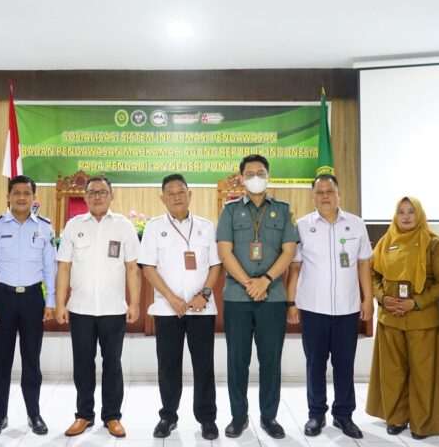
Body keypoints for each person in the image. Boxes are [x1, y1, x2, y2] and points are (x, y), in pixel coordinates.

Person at [215, 154, 299, 439]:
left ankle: (269, 417)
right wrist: (249, 283)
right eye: (249, 173)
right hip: (237, 298)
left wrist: (265, 280)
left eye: (260, 173)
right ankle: (238, 417)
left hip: (272, 297)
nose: (255, 177)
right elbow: (224, 252)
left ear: (268, 176)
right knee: (237, 361)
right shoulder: (229, 211)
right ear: (241, 178)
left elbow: (289, 251)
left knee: (270, 361)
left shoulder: (283, 210)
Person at [286, 174, 373, 439]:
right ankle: (316, 414)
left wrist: (367, 299)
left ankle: (343, 415)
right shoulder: (303, 226)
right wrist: (291, 302)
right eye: (320, 192)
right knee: (315, 364)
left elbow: (364, 263)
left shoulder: (356, 224)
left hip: (347, 308)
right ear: (313, 196)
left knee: (344, 365)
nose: (325, 196)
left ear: (338, 194)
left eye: (329, 191)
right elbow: (295, 267)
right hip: (314, 308)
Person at [55, 176, 141, 438]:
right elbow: (64, 267)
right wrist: (60, 303)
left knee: (112, 364)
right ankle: (83, 415)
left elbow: (132, 268)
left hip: (113, 309)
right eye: (92, 192)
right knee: (82, 364)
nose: (97, 196)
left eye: (103, 192)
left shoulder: (124, 226)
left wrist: (135, 303)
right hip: (80, 309)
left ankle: (112, 417)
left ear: (111, 196)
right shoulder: (73, 226)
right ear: (85, 196)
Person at [139, 174, 222, 440]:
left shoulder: (206, 226)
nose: (177, 197)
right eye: (171, 193)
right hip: (168, 309)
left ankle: (207, 418)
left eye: (181, 192)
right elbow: (148, 267)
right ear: (162, 198)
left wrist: (204, 295)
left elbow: (216, 265)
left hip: (201, 309)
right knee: (168, 365)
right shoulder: (154, 228)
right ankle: (168, 416)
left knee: (204, 366)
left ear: (190, 194)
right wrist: (171, 298)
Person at [365, 197, 439, 439]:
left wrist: (415, 302)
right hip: (390, 318)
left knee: (423, 375)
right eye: (401, 212)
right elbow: (373, 274)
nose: (406, 216)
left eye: (411, 212)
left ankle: (422, 423)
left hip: (422, 319)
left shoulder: (434, 243)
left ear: (420, 215)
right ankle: (396, 418)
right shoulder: (386, 241)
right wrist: (383, 298)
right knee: (392, 372)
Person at [0, 175, 56, 437]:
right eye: (16, 193)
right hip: (4, 300)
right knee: (2, 361)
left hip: (33, 299)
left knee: (32, 360)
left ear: (34, 197)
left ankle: (34, 414)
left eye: (26, 193)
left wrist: (50, 301)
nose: (21, 197)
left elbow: (50, 267)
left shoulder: (44, 227)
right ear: (8, 197)